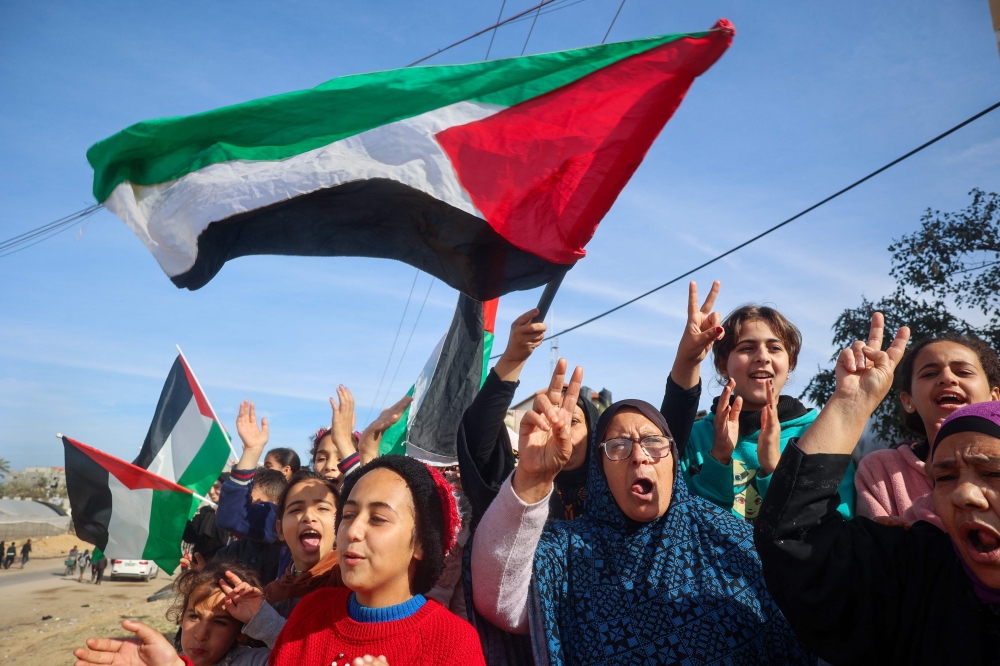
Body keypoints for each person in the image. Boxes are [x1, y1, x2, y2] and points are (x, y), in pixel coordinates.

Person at [471, 362, 813, 664]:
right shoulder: (567, 551)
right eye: (618, 446)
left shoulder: (730, 538)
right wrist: (531, 479)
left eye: (653, 442)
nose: (639, 456)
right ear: (600, 471)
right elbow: (499, 600)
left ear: (674, 457)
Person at [755, 313, 1000, 662]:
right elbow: (797, 544)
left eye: (992, 472)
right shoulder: (915, 573)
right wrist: (849, 406)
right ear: (908, 399)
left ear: (994, 394)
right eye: (944, 477)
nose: (965, 494)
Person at [264, 455, 485, 665]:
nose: (353, 531)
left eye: (378, 519)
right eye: (348, 515)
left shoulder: (454, 643)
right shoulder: (309, 612)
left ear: (421, 543)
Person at [674, 298, 855, 521]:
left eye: (775, 348)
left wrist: (776, 469)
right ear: (722, 365)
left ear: (790, 365)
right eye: (747, 348)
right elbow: (682, 524)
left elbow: (837, 525)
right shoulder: (694, 438)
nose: (762, 357)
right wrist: (718, 458)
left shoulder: (820, 437)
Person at [855, 333, 1000, 522]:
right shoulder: (880, 469)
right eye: (930, 373)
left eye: (963, 372)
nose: (947, 378)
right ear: (908, 401)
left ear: (994, 396)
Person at [72, 560, 281, 666]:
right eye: (194, 617)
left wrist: (264, 620)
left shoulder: (251, 662)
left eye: (219, 623)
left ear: (242, 630)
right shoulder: (168, 659)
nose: (200, 635)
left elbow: (306, 657)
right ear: (181, 617)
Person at [264, 469, 343, 617]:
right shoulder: (271, 594)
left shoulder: (347, 576)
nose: (309, 516)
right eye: (296, 510)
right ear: (280, 530)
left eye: (323, 508)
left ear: (340, 523)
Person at [212, 468, 287, 585]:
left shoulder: (289, 552)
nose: (242, 513)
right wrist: (205, 576)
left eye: (253, 506)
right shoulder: (228, 553)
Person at [183, 476, 231, 562]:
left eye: (216, 487)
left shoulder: (238, 513)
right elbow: (190, 537)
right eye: (209, 488)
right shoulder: (205, 511)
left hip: (229, 568)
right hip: (203, 567)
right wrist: (182, 518)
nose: (211, 492)